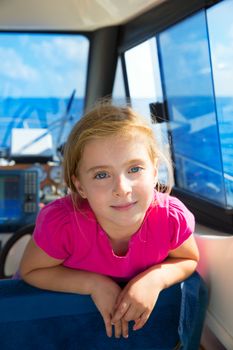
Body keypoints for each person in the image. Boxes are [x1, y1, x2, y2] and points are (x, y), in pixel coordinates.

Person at [19, 102, 199, 339]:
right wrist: (94, 284)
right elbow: (31, 271)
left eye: (134, 169)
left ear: (155, 172)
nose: (122, 189)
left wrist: (155, 280)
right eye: (102, 175)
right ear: (80, 186)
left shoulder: (170, 219)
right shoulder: (62, 225)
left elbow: (188, 258)